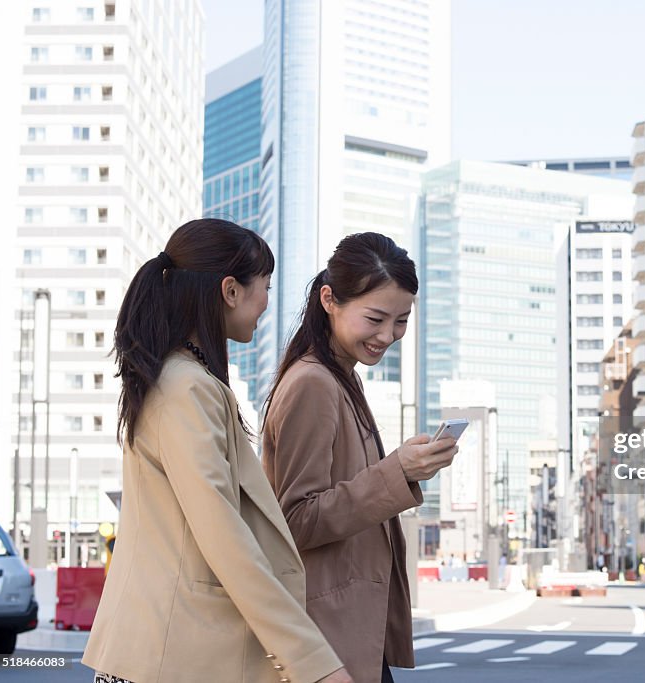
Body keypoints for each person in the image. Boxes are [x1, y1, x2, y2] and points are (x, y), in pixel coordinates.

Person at [83, 219, 352, 683]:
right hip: (173, 658)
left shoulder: (175, 378)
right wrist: (314, 663)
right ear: (230, 290)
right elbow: (224, 536)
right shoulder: (187, 387)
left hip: (164, 651)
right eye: (264, 287)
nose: (267, 304)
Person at [263, 232, 458, 683]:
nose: (388, 336)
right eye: (375, 318)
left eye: (402, 321)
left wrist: (400, 469)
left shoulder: (340, 379)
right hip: (326, 633)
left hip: (344, 627)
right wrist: (398, 472)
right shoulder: (313, 383)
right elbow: (294, 519)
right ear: (328, 299)